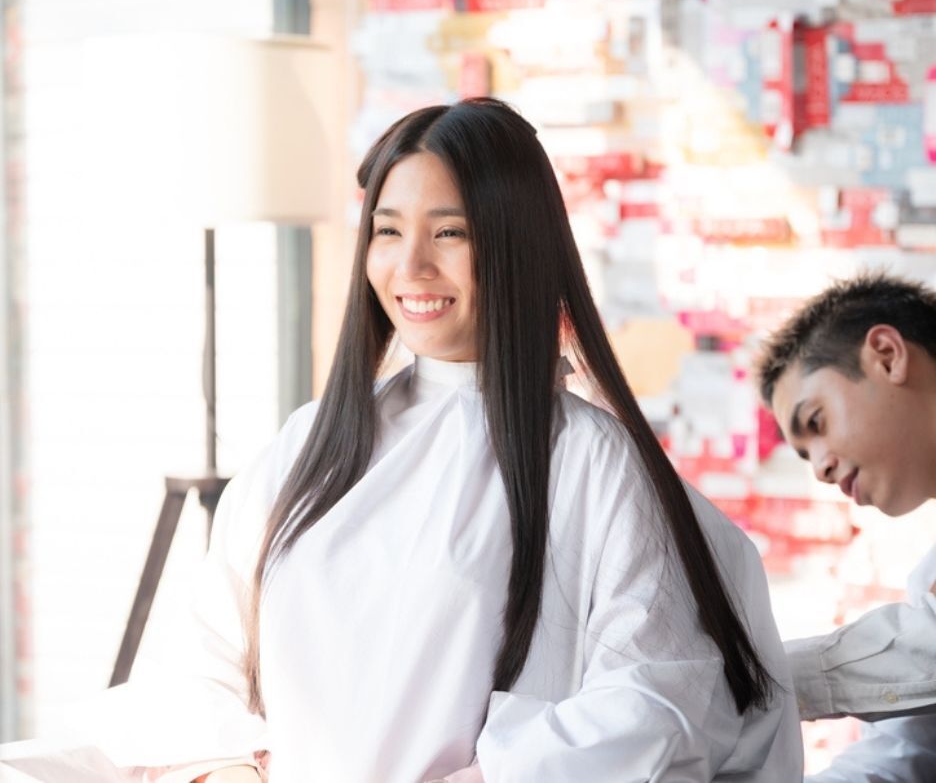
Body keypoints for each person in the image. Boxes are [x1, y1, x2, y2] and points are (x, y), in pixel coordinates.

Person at [1, 98, 801, 782]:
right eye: (387, 231)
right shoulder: (314, 441)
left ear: (515, 243)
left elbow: (659, 697)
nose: (409, 265)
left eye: (448, 233)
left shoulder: (592, 466)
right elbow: (203, 649)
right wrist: (231, 766)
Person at [756, 271, 936, 781]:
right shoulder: (928, 577)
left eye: (816, 422)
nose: (819, 468)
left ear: (886, 355)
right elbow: (906, 753)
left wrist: (756, 680)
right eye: (804, 455)